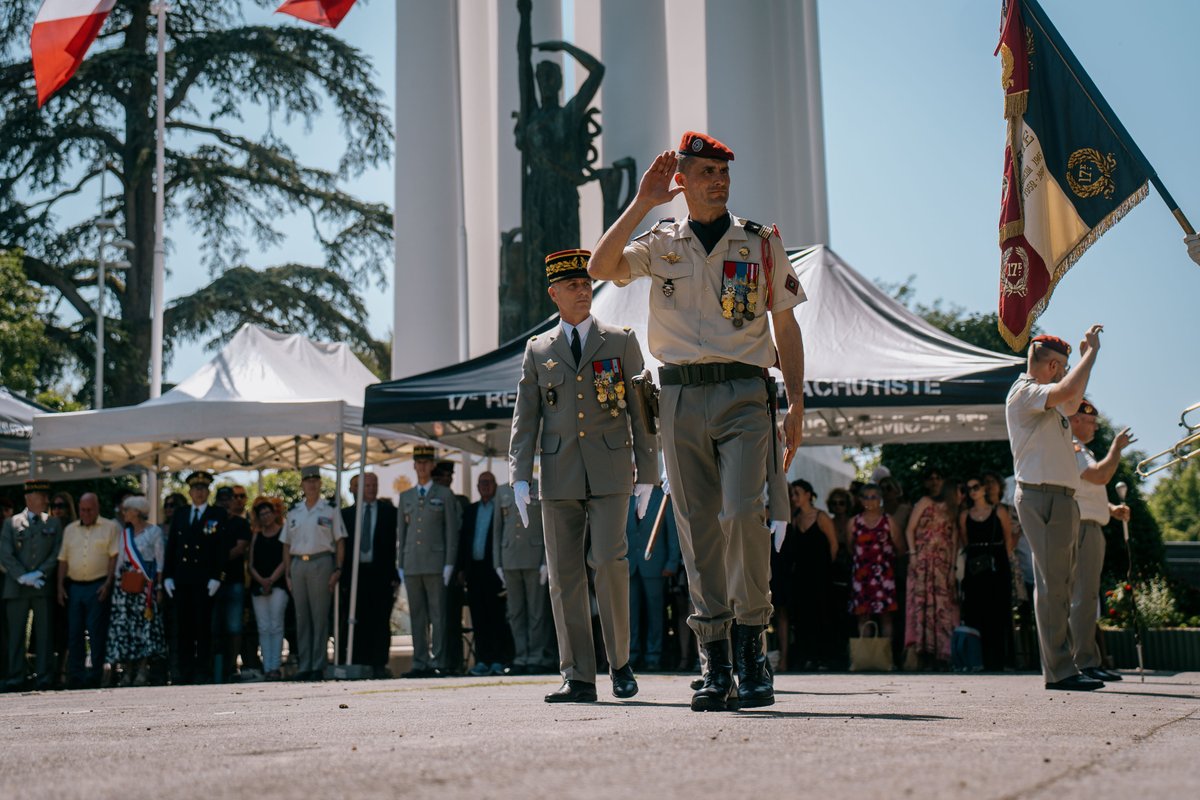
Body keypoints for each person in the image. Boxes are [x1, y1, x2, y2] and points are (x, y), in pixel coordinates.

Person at [589, 133, 806, 711]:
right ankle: (714, 661)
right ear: (681, 180)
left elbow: (786, 328)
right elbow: (600, 267)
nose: (719, 180)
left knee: (742, 512)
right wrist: (642, 204)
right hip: (680, 398)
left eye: (724, 171)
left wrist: (798, 407)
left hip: (744, 393)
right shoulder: (660, 242)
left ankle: (753, 649)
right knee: (695, 526)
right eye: (707, 171)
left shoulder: (760, 243)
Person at [509, 248, 658, 704]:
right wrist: (519, 474)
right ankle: (578, 675)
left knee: (611, 564)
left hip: (612, 470)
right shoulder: (539, 350)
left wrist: (648, 471)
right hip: (558, 474)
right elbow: (526, 418)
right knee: (564, 576)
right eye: (572, 285)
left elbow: (641, 413)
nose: (582, 291)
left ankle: (620, 663)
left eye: (586, 283)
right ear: (554, 293)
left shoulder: (620, 341)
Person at [1005, 327, 1105, 691]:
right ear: (1048, 365)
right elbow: (1066, 392)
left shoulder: (1046, 397)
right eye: (1060, 366)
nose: (1063, 372)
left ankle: (1066, 666)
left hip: (1060, 496)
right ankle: (1060, 670)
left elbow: (1071, 396)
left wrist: (1083, 360)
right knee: (1053, 585)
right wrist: (1091, 354)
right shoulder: (1025, 391)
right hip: (1043, 495)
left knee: (1061, 583)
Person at [1069, 400, 1132, 683]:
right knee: (1084, 597)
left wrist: (1110, 509)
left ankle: (1088, 659)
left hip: (1089, 524)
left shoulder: (1083, 450)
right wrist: (1116, 449)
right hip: (1083, 527)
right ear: (1075, 420)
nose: (1094, 426)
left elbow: (1086, 491)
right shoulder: (1074, 448)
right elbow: (1100, 475)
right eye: (1090, 421)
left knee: (1088, 597)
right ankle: (1084, 661)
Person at [397, 446, 460, 678]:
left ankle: (440, 661)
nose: (422, 466)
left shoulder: (444, 495)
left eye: (426, 462)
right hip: (412, 563)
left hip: (436, 563)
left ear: (432, 465)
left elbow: (451, 532)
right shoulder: (406, 496)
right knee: (417, 616)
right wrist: (400, 563)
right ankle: (420, 661)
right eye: (418, 462)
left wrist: (449, 563)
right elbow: (402, 533)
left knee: (438, 615)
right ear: (414, 466)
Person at [162, 471, 226, 685]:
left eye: (202, 488)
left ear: (208, 491)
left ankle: (202, 670)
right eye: (195, 488)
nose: (199, 492)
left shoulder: (217, 514)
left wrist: (217, 576)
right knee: (183, 628)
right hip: (182, 579)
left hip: (205, 580)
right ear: (189, 491)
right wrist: (168, 576)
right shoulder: (181, 513)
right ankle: (184, 670)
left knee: (203, 627)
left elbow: (221, 550)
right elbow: (172, 546)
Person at [282, 466, 346, 681]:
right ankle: (305, 664)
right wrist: (288, 574)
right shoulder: (294, 511)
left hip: (321, 562)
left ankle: (318, 665)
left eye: (315, 480)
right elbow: (286, 544)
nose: (312, 484)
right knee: (302, 617)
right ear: (302, 484)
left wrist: (337, 568)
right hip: (299, 564)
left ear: (320, 483)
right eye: (308, 480)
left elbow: (340, 541)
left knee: (319, 617)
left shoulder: (329, 509)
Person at [1, 479, 63, 691]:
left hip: (41, 586)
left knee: (44, 634)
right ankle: (15, 676)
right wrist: (22, 576)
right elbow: (5, 554)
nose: (47, 500)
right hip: (17, 587)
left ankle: (44, 676)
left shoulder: (54, 523)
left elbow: (57, 552)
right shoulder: (11, 523)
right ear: (29, 498)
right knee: (16, 634)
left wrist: (39, 573)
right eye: (42, 496)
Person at [339, 472, 399, 677]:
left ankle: (379, 663)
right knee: (357, 618)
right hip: (355, 574)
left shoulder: (390, 512)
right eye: (368, 485)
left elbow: (396, 546)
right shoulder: (346, 514)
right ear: (359, 488)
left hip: (381, 574)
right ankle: (359, 661)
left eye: (375, 484)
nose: (372, 488)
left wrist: (395, 575)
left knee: (380, 619)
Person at [57, 492, 119, 689]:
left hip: (98, 586)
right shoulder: (70, 529)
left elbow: (113, 558)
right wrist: (59, 586)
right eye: (82, 510)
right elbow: (63, 560)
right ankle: (76, 677)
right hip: (74, 587)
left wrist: (108, 584)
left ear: (97, 508)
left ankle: (95, 676)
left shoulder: (110, 527)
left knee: (96, 634)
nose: (86, 513)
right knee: (74, 633)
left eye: (90, 510)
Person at [494, 482, 553, 676]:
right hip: (510, 557)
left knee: (536, 612)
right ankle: (521, 656)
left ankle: (536, 656)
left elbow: (548, 526)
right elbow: (497, 529)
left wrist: (546, 560)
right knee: (515, 612)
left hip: (534, 559)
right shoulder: (502, 491)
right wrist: (498, 562)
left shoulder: (540, 487)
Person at [903, 467, 960, 670]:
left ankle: (942, 655)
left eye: (938, 477)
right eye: (931, 477)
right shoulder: (924, 502)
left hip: (942, 565)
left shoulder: (952, 508)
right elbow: (910, 529)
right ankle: (921, 654)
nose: (935, 481)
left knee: (943, 607)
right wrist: (912, 554)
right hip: (923, 562)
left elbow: (954, 538)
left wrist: (953, 567)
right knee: (921, 605)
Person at [107, 496, 166, 686]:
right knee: (126, 630)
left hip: (145, 588)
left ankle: (142, 671)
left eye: (127, 510)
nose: (124, 513)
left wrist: (158, 587)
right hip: (126, 589)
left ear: (137, 512)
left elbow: (160, 563)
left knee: (144, 630)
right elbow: (120, 561)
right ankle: (127, 672)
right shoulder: (124, 534)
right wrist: (116, 586)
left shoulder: (154, 532)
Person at [958, 477, 1015, 671]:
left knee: (999, 612)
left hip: (997, 563)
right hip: (975, 565)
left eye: (976, 486)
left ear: (984, 488)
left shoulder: (999, 511)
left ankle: (1000, 660)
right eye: (968, 488)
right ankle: (979, 659)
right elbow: (965, 540)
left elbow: (1008, 539)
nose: (972, 491)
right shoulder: (965, 515)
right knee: (976, 610)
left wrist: (1002, 562)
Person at [457, 471, 510, 677]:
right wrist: (461, 568)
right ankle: (482, 660)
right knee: (478, 618)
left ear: (495, 485)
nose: (485, 486)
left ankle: (498, 659)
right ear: (477, 487)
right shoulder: (470, 511)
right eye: (482, 483)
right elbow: (463, 541)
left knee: (496, 617)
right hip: (474, 571)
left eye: (489, 482)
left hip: (494, 570)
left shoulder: (500, 507)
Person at [625, 485, 680, 673]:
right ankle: (631, 654)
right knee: (630, 613)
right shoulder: (625, 495)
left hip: (656, 564)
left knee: (655, 613)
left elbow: (672, 530)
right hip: (630, 564)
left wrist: (672, 562)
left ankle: (653, 655)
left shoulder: (662, 495)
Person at [788, 480, 839, 670]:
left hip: (821, 574)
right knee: (803, 616)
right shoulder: (795, 518)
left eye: (797, 493)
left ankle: (824, 657)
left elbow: (834, 544)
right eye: (792, 494)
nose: (794, 497)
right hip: (801, 575)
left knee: (823, 613)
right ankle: (807, 657)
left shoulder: (821, 517)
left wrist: (827, 568)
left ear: (809, 494)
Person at [849, 483, 902, 641]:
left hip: (883, 576)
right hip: (861, 576)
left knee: (886, 617)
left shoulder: (888, 521)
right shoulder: (854, 522)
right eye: (866, 497)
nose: (870, 501)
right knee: (863, 616)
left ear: (880, 499)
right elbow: (851, 547)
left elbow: (900, 547)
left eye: (874, 497)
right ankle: (865, 657)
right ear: (860, 499)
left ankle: (886, 659)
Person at [211, 485, 250, 681]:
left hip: (233, 580)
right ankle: (215, 667)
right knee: (214, 626)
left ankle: (232, 665)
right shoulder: (211, 522)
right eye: (222, 499)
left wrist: (217, 559)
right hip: (212, 582)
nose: (226, 502)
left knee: (234, 626)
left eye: (230, 498)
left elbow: (240, 548)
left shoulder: (240, 523)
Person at [249, 496, 288, 680]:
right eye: (261, 514)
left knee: (276, 626)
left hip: (278, 585)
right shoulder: (256, 536)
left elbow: (285, 560)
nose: (265, 516)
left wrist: (271, 580)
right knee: (263, 627)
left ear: (274, 513)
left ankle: (275, 666)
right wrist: (261, 581)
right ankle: (267, 666)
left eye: (267, 513)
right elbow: (251, 564)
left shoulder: (283, 533)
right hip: (258, 586)